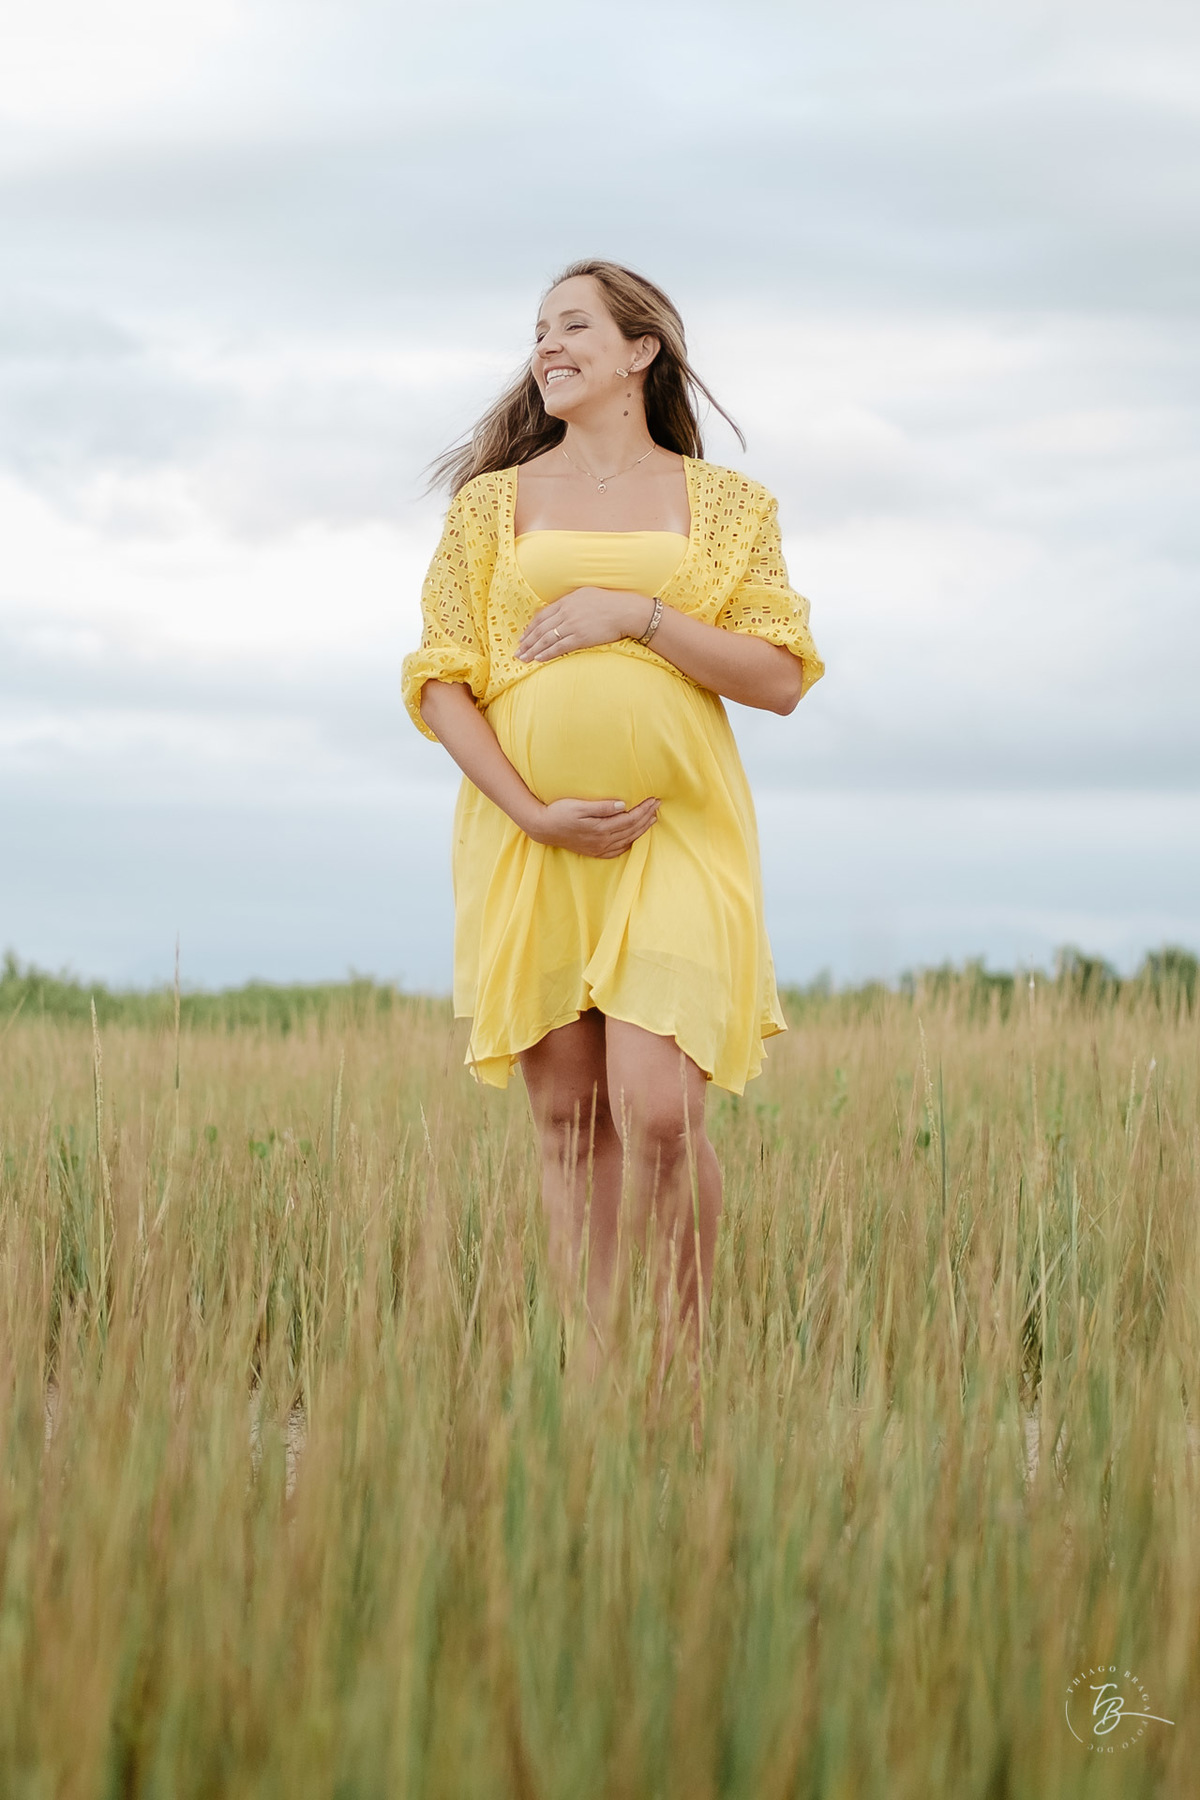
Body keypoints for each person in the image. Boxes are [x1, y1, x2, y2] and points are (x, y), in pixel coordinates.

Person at [402, 259, 824, 1385]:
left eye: (574, 324)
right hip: (528, 838)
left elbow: (778, 677)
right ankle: (599, 1380)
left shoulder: (727, 505)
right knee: (566, 1123)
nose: (548, 343)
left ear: (641, 351)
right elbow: (444, 682)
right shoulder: (492, 506)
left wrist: (634, 614)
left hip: (675, 832)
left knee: (659, 1117)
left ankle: (680, 1373)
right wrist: (535, 814)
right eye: (539, 329)